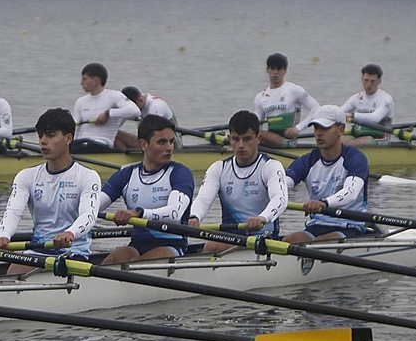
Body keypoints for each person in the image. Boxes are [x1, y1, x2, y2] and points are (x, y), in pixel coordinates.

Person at [0, 107, 104, 274]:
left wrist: (70, 233)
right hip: (38, 250)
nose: (43, 141)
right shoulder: (26, 176)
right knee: (14, 271)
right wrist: (4, 235)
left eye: (50, 135)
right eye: (40, 136)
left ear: (68, 138)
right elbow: (13, 212)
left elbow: (89, 215)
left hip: (73, 252)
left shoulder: (88, 176)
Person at [96, 114, 195, 263]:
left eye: (171, 141)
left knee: (143, 261)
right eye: (162, 142)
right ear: (143, 144)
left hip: (172, 246)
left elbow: (174, 213)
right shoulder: (126, 175)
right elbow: (93, 206)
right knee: (117, 256)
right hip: (137, 245)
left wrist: (138, 213)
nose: (169, 148)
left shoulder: (180, 173)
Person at [189, 110, 290, 254]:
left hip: (263, 239)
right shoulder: (219, 168)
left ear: (258, 138)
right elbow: (204, 199)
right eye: (236, 139)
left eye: (247, 139)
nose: (241, 145)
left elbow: (280, 199)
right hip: (230, 238)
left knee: (212, 247)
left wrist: (262, 218)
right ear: (230, 139)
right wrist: (195, 216)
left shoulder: (270, 166)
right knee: (211, 246)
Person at [284, 106, 371, 243]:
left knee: (320, 242)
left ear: (340, 130)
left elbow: (351, 192)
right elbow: (283, 184)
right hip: (318, 224)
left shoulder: (355, 158)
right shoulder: (306, 161)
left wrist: (324, 203)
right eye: (316, 128)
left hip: (349, 225)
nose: (318, 133)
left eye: (324, 128)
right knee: (289, 240)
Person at [253, 52, 320, 148]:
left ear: (285, 70)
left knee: (259, 135)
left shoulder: (294, 90)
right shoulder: (260, 97)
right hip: (270, 140)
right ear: (267, 70)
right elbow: (257, 122)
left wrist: (297, 128)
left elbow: (316, 108)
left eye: (279, 69)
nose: (276, 72)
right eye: (272, 68)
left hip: (289, 140)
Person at [70, 62, 141, 152]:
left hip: (102, 144)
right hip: (81, 144)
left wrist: (108, 113)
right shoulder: (80, 101)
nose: (81, 82)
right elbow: (77, 128)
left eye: (84, 79)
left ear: (95, 81)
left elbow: (135, 111)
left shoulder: (114, 96)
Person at [340, 64, 394, 141]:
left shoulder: (386, 99)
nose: (369, 84)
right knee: (336, 140)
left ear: (379, 82)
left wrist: (352, 115)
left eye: (373, 81)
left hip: (379, 141)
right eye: (366, 80)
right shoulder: (356, 98)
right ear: (362, 79)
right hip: (359, 137)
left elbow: (375, 118)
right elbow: (339, 111)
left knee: (361, 141)